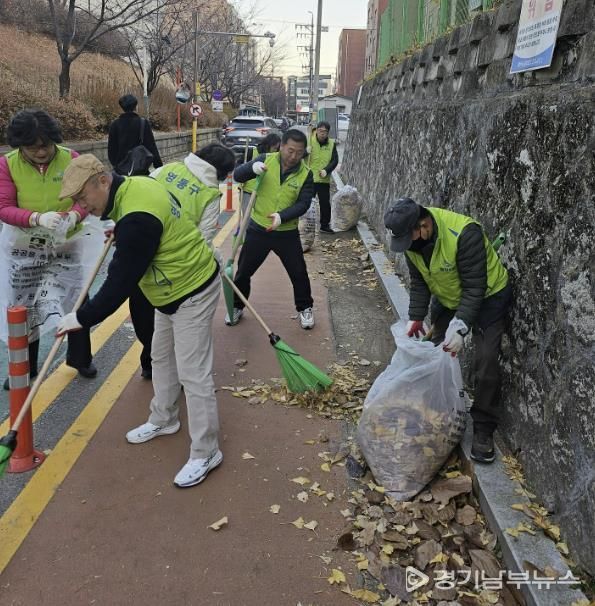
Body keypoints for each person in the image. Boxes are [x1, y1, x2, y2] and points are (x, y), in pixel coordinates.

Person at [56, 154, 223, 488]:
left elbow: (120, 282)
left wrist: (82, 317)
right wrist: (121, 232)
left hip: (191, 288)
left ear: (103, 181)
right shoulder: (137, 186)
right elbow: (151, 227)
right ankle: (164, 418)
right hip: (166, 289)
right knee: (160, 357)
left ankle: (207, 451)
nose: (82, 206)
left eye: (83, 197)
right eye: (76, 200)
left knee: (193, 373)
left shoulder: (137, 218)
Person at [384, 197, 512, 464]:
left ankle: (484, 428)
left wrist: (461, 325)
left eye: (410, 238)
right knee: (435, 350)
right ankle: (436, 412)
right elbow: (420, 282)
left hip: (488, 296)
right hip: (449, 297)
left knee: (486, 361)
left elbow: (475, 287)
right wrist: (415, 317)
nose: (408, 245)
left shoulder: (464, 234)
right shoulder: (412, 242)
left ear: (424, 225)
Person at [0, 109, 98, 390]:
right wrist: (36, 218)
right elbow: (4, 206)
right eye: (33, 147)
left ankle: (80, 357)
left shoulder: (71, 159)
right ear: (20, 145)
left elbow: (85, 197)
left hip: (66, 244)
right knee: (24, 306)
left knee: (76, 299)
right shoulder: (7, 165)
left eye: (46, 145)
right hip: (25, 247)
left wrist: (75, 215)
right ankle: (25, 365)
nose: (41, 152)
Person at [124, 142, 236, 380]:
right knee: (171, 320)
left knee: (142, 311)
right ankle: (170, 368)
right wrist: (215, 257)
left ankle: (150, 361)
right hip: (173, 268)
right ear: (221, 172)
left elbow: (136, 194)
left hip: (139, 253)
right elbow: (202, 239)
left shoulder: (167, 169)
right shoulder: (209, 193)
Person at [227, 129, 315, 330]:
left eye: (299, 152)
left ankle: (305, 308)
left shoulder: (306, 174)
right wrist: (252, 169)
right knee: (243, 271)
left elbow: (303, 203)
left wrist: (281, 216)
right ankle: (237, 306)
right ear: (281, 146)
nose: (293, 156)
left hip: (286, 233)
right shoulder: (265, 160)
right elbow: (238, 175)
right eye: (290, 150)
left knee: (299, 273)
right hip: (258, 229)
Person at [107, 94, 163, 175]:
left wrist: (117, 165)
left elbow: (111, 151)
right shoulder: (143, 123)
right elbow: (151, 146)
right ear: (135, 107)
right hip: (140, 169)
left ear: (122, 107)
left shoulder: (115, 125)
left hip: (121, 171)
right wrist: (158, 166)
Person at [307, 121, 338, 233]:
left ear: (328, 133)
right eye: (320, 131)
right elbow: (299, 156)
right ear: (316, 130)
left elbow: (335, 160)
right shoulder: (309, 141)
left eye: (325, 131)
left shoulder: (331, 144)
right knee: (307, 203)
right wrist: (305, 152)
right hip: (309, 178)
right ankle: (306, 225)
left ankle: (324, 225)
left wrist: (326, 170)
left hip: (323, 179)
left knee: (325, 203)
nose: (322, 133)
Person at [240, 133, 281, 213]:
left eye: (277, 148)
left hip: (264, 193)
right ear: (268, 145)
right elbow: (240, 167)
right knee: (247, 217)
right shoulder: (252, 152)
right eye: (274, 148)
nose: (275, 151)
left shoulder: (275, 157)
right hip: (248, 191)